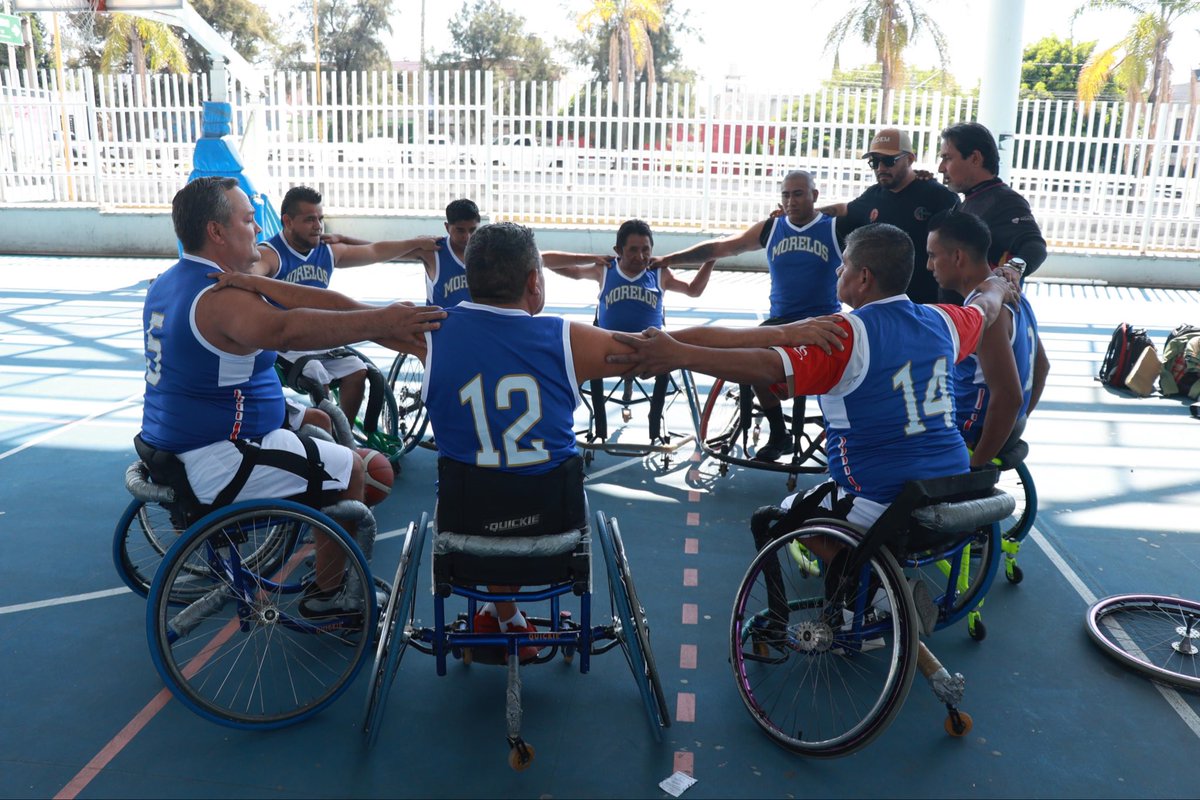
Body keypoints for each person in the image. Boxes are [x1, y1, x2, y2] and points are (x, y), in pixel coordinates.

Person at [214, 221, 848, 663]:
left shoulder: (429, 331)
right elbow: (682, 343)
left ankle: (499, 611)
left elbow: (337, 304)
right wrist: (786, 334)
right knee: (533, 487)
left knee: (483, 492)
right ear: (534, 284)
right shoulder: (569, 340)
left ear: (469, 280)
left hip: (464, 528)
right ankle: (510, 613)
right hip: (553, 528)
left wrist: (259, 285)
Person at [606, 222, 1010, 562]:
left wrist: (682, 355)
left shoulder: (846, 336)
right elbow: (987, 307)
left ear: (864, 277)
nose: (837, 270)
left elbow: (764, 366)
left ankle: (865, 597)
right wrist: (998, 284)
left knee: (776, 517)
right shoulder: (945, 320)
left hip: (883, 501)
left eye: (844, 264)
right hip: (951, 487)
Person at [140, 176, 445, 618]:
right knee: (351, 470)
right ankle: (328, 597)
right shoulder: (219, 299)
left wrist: (381, 317)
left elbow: (312, 300)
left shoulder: (174, 280)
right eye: (248, 220)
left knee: (320, 421)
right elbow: (288, 328)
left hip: (186, 435)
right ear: (216, 231)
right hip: (220, 453)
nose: (257, 229)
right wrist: (382, 324)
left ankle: (321, 535)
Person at [650, 170, 843, 462]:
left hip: (822, 322)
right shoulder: (771, 228)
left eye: (798, 194)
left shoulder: (834, 227)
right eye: (786, 195)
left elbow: (863, 210)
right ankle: (779, 433)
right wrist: (668, 259)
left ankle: (839, 436)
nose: (791, 201)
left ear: (814, 196)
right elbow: (720, 248)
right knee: (748, 360)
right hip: (779, 323)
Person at [252, 185, 440, 425]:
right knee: (315, 372)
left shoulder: (328, 251)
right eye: (309, 220)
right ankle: (327, 431)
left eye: (320, 219)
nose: (318, 226)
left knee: (357, 370)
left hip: (322, 337)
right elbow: (252, 273)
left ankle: (344, 432)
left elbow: (374, 251)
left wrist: (415, 244)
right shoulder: (271, 254)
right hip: (287, 344)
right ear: (288, 221)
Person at [542, 218, 716, 443]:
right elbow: (550, 262)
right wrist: (590, 258)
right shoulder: (605, 269)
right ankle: (600, 426)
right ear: (618, 250)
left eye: (646, 250)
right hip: (608, 349)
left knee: (667, 353)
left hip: (650, 350)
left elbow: (693, 290)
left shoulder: (659, 272)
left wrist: (711, 258)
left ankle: (655, 423)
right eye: (633, 250)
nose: (640, 256)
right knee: (577, 355)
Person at [925, 209, 1050, 466]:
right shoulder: (1014, 294)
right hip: (1005, 428)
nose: (929, 266)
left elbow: (1009, 397)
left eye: (932, 256)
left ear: (958, 256)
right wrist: (1018, 421)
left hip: (967, 435)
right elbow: (1042, 367)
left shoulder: (988, 316)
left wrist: (976, 465)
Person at [818, 127, 959, 304]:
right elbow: (845, 209)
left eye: (888, 161)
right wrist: (804, 213)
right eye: (874, 162)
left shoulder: (938, 196)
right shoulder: (872, 195)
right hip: (880, 306)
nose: (881, 168)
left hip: (926, 304)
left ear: (910, 159)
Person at [937, 121, 1048, 301]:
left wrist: (1013, 268)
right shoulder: (970, 199)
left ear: (975, 158)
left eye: (947, 158)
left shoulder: (1005, 201)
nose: (941, 168)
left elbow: (1034, 245)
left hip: (981, 314)